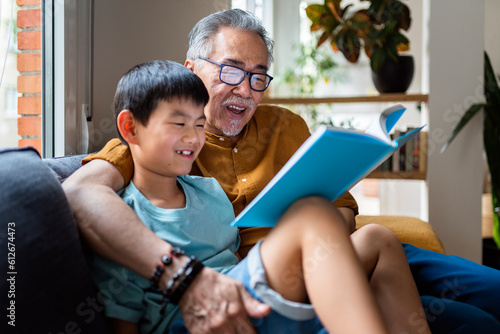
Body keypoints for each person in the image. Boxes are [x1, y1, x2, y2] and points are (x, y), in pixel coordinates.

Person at [62, 8, 500, 334]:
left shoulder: (286, 125)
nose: (245, 90)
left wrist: (316, 239)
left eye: (258, 77)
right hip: (270, 282)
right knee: (472, 323)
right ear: (191, 70)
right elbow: (81, 195)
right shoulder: (156, 147)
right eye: (232, 70)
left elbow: (344, 210)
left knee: (487, 294)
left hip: (342, 257)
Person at [91, 58, 430, 334]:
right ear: (130, 128)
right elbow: (124, 321)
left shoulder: (209, 192)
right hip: (196, 322)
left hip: (249, 302)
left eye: (198, 125)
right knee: (312, 212)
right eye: (178, 124)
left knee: (377, 237)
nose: (193, 138)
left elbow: (237, 259)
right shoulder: (122, 221)